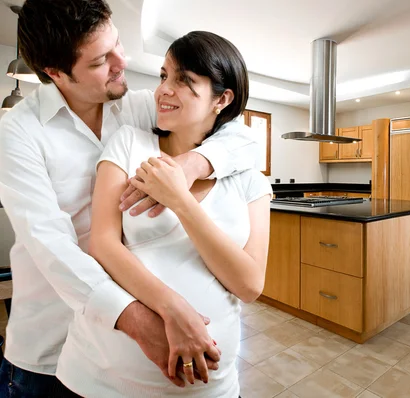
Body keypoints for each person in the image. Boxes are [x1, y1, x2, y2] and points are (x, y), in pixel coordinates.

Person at [0, 0, 260, 396]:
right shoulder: (18, 133)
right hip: (50, 347)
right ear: (55, 73)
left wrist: (191, 165)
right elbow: (50, 245)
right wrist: (144, 320)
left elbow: (236, 133)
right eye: (102, 59)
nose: (122, 62)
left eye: (118, 42)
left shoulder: (138, 108)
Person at [55, 30, 271, 397]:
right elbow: (104, 245)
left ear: (222, 98)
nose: (163, 90)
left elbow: (249, 285)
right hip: (104, 381)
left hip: (210, 388)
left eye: (183, 80)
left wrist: (181, 200)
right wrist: (174, 309)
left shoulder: (249, 178)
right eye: (163, 75)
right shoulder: (128, 142)